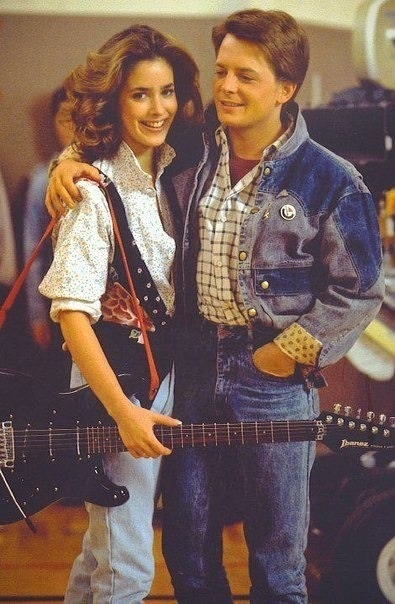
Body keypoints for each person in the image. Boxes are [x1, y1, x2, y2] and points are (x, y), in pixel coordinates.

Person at [44, 9, 385, 604]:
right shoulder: (190, 150)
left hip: (272, 378)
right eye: (221, 71)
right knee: (188, 544)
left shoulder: (332, 180)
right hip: (191, 370)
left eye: (245, 76)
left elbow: (358, 290)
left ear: (285, 88)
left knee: (278, 556)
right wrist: (67, 161)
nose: (226, 87)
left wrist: (287, 352)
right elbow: (119, 131)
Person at [39, 24, 202, 603]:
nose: (157, 108)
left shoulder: (178, 167)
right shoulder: (90, 189)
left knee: (103, 551)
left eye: (166, 92)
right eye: (139, 94)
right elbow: (71, 314)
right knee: (127, 565)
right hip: (115, 386)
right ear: (114, 100)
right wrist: (123, 414)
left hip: (160, 376)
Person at [22, 86, 75, 389]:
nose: (71, 128)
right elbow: (33, 253)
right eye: (64, 119)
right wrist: (36, 317)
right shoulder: (43, 179)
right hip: (57, 306)